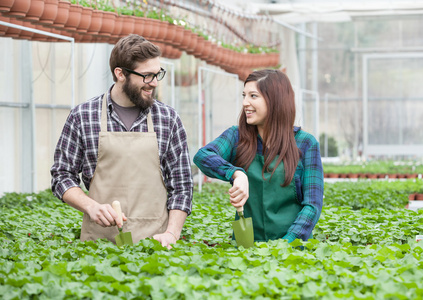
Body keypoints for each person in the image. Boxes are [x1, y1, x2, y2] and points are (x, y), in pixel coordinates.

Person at [51, 34, 193, 249]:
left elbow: (181, 186)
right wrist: (90, 206)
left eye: (157, 74)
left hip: (156, 245)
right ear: (120, 74)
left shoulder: (168, 119)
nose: (154, 83)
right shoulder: (83, 116)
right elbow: (62, 175)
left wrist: (172, 234)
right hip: (98, 246)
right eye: (146, 76)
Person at [193, 69, 323, 243]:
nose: (245, 102)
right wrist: (236, 173)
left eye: (253, 96)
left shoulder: (305, 143)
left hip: (292, 253)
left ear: (275, 100)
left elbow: (312, 205)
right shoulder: (236, 137)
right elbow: (203, 156)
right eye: (244, 95)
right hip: (246, 248)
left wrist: (287, 244)